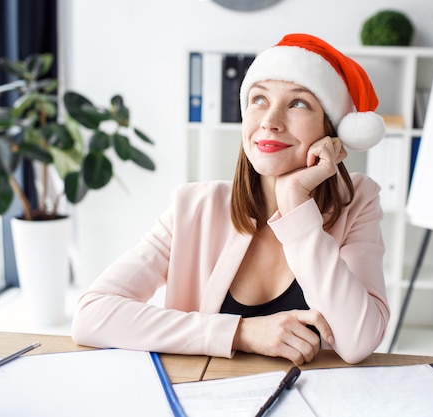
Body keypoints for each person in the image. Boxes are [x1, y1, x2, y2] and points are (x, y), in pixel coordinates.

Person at [72, 33, 389, 365]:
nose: (270, 121)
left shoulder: (359, 201)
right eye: (258, 100)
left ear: (331, 131)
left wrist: (295, 204)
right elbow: (92, 315)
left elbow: (358, 341)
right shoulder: (193, 207)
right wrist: (241, 333)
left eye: (298, 103)